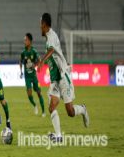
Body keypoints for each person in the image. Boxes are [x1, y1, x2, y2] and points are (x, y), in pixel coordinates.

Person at [38, 13, 89, 142]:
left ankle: (82, 109)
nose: (39, 27)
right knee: (52, 107)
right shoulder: (50, 36)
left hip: (63, 75)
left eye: (40, 24)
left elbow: (51, 51)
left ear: (44, 24)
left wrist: (42, 61)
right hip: (55, 79)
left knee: (70, 112)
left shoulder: (51, 37)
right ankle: (59, 136)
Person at [20, 33, 45, 117]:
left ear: (30, 41)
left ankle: (44, 111)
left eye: (26, 40)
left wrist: (37, 65)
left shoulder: (34, 51)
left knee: (39, 93)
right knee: (29, 94)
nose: (24, 41)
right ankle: (35, 105)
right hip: (27, 77)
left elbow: (39, 59)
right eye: (24, 40)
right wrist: (21, 71)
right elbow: (20, 61)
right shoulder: (23, 52)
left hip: (34, 76)